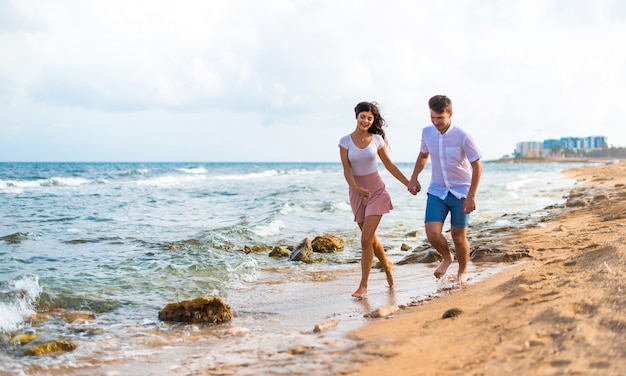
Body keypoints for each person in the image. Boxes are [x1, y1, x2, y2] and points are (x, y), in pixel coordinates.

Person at [408, 95, 482, 285]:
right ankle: (447, 257)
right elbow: (424, 155)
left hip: (461, 193)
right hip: (437, 191)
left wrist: (471, 196)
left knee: (458, 236)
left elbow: (477, 166)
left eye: (439, 118)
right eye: (432, 117)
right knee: (432, 233)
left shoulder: (464, 135)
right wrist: (414, 177)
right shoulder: (427, 132)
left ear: (450, 114)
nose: (435, 122)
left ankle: (463, 270)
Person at [339, 101, 410, 299]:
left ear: (373, 121)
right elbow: (346, 169)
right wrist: (354, 187)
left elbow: (389, 165)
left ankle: (363, 286)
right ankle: (387, 265)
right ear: (356, 116)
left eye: (370, 118)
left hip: (376, 191)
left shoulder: (377, 140)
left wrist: (408, 182)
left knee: (364, 240)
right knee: (370, 238)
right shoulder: (344, 141)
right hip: (357, 193)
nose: (366, 121)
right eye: (363, 116)